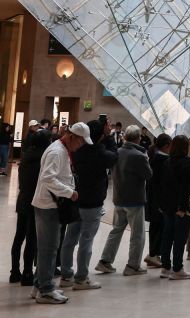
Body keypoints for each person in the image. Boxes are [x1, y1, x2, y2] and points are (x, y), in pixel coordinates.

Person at [30, 122, 91, 304]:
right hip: (48, 205)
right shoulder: (57, 151)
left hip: (50, 205)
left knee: (47, 247)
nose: (80, 146)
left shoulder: (62, 150)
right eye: (80, 142)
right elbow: (47, 178)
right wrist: (69, 192)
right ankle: (46, 290)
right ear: (71, 137)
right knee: (49, 249)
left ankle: (39, 284)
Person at [59, 120, 117, 290]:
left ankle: (66, 274)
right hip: (93, 202)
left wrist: (102, 136)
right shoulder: (100, 153)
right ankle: (82, 278)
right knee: (87, 240)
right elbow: (114, 156)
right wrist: (109, 137)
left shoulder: (77, 150)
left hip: (76, 198)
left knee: (70, 239)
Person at [95, 125, 152, 276]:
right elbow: (149, 174)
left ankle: (105, 261)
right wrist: (146, 158)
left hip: (119, 198)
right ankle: (132, 266)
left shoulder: (117, 152)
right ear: (138, 138)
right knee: (137, 234)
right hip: (135, 199)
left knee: (116, 230)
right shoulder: (139, 155)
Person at [10, 129, 50, 285]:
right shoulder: (43, 158)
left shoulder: (26, 156)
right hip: (35, 200)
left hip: (23, 198)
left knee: (19, 236)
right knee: (31, 238)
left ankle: (15, 272)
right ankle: (27, 272)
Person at [160, 134, 190, 280]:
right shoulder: (188, 164)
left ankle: (165, 267)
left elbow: (162, 186)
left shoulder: (166, 162)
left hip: (168, 206)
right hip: (181, 206)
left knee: (167, 236)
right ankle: (177, 268)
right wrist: (183, 207)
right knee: (180, 237)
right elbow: (188, 188)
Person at [144, 133, 171, 268]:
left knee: (154, 227)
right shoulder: (164, 161)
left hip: (151, 197)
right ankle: (154, 254)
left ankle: (154, 254)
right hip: (160, 200)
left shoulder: (152, 158)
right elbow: (163, 184)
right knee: (161, 227)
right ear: (166, 146)